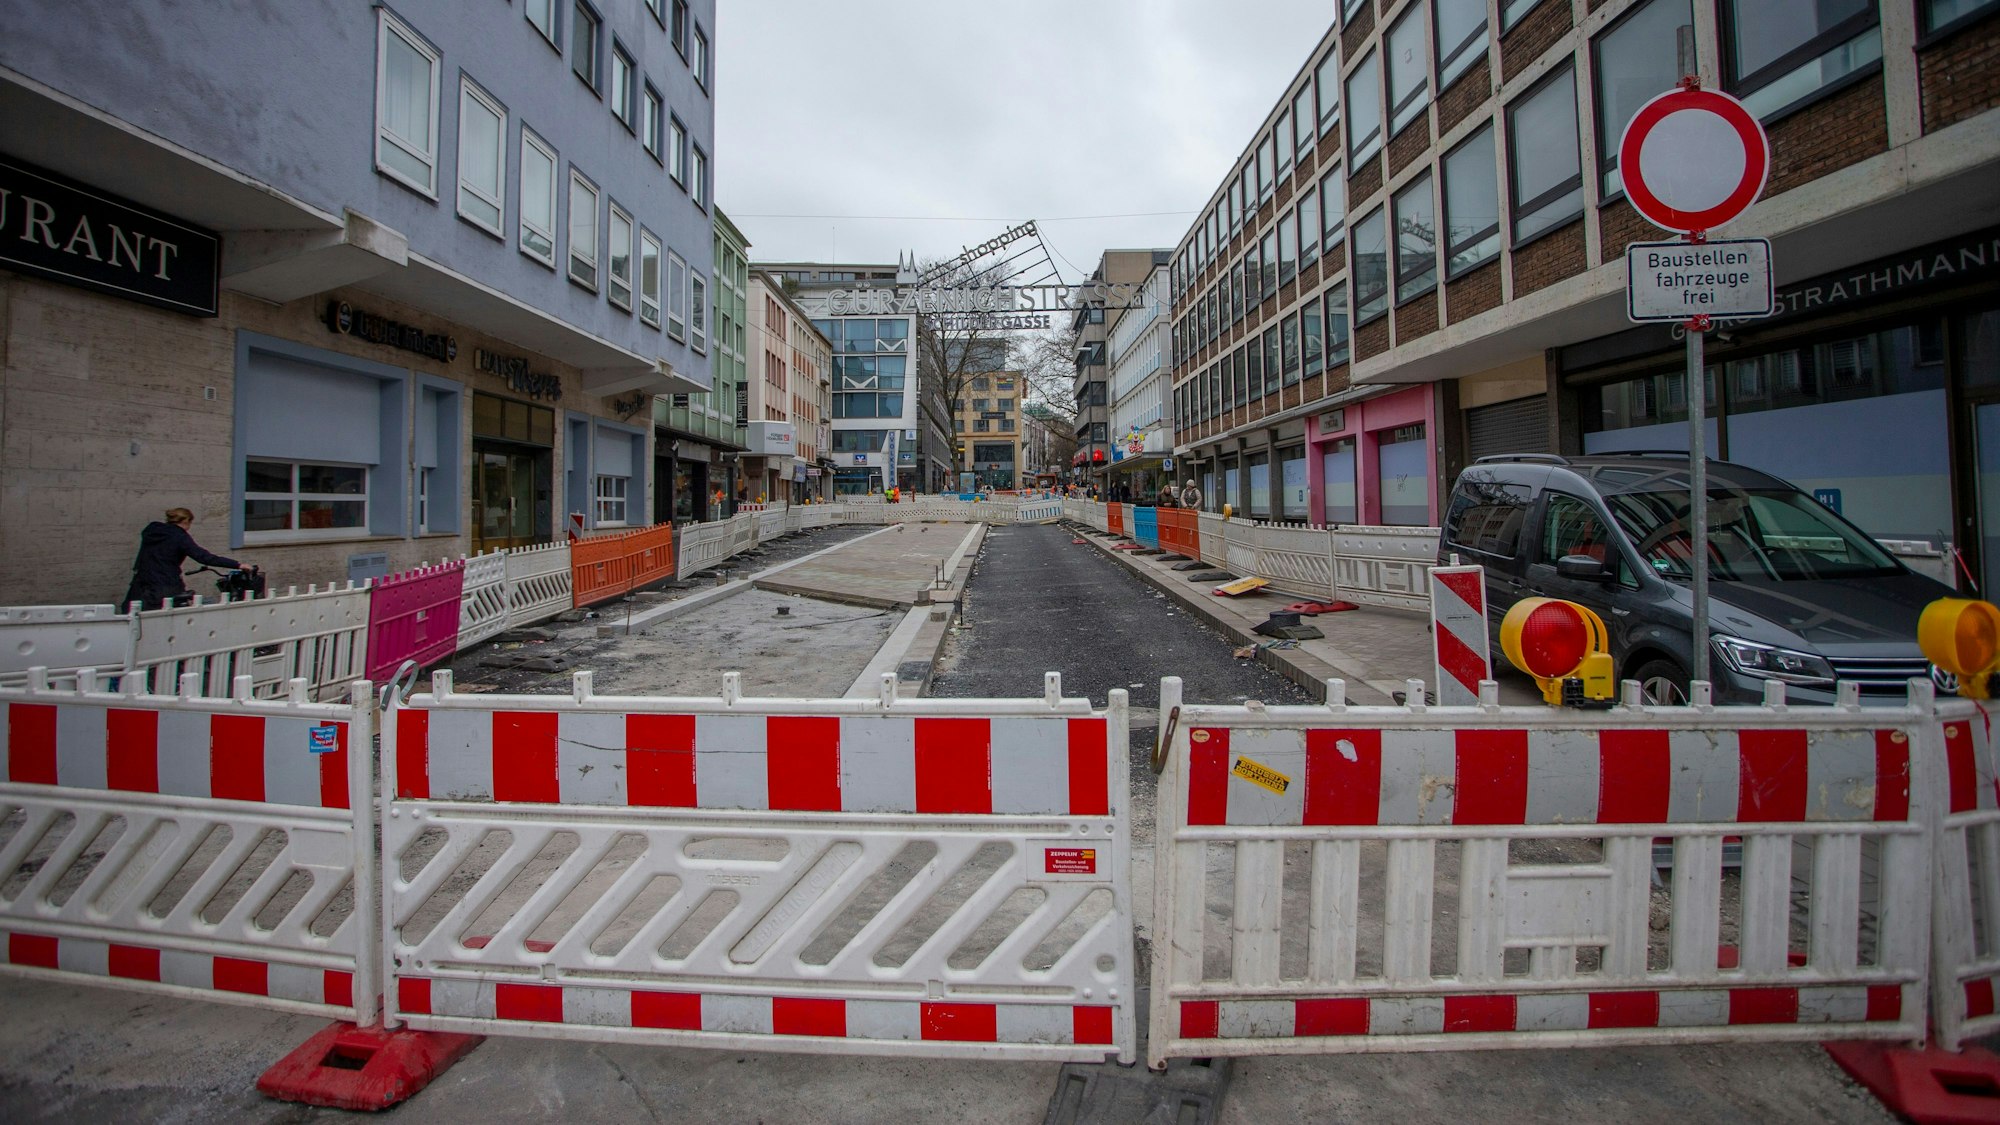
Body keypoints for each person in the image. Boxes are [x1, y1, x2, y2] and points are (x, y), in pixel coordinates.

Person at [123, 508, 241, 610]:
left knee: (134, 616)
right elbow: (204, 557)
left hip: (141, 583)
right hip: (166, 585)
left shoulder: (151, 530)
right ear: (186, 521)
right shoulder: (180, 537)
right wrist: (238, 564)